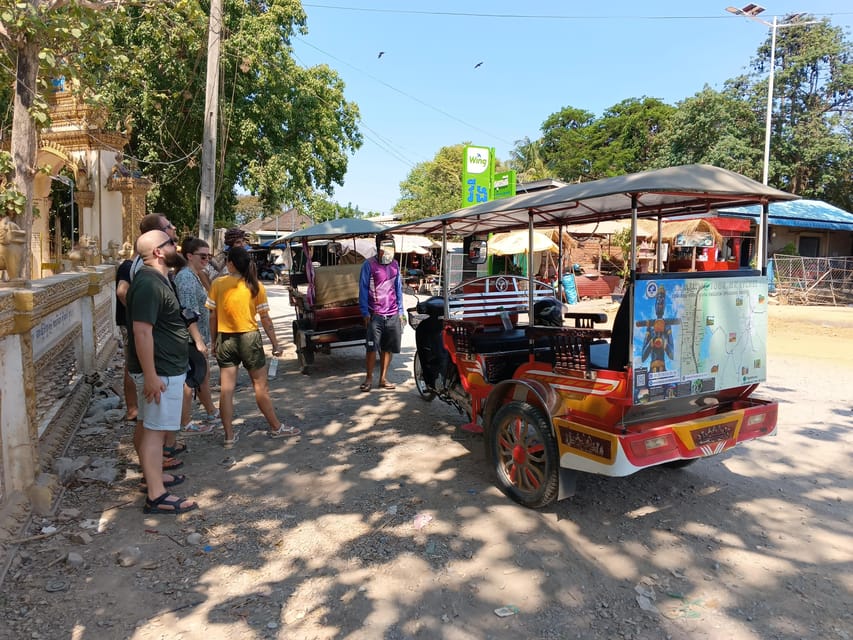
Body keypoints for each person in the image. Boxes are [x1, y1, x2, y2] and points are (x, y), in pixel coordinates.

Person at [126, 229, 198, 514]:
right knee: (155, 432)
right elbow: (142, 333)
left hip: (165, 367)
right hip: (161, 371)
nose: (175, 244)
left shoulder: (157, 279)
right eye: (170, 242)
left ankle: (153, 477)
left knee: (149, 426)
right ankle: (156, 495)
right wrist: (152, 375)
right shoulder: (148, 284)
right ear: (158, 251)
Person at [206, 245, 301, 448]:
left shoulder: (218, 284)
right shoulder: (255, 286)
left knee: (226, 390)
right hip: (249, 338)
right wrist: (275, 343)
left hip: (225, 339)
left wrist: (213, 341)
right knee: (260, 386)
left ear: (230, 264)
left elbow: (212, 316)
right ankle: (276, 427)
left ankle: (229, 436)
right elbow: (265, 319)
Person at [174, 236, 220, 436]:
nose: (207, 260)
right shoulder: (185, 278)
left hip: (196, 337)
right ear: (189, 256)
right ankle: (185, 421)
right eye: (202, 256)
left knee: (202, 376)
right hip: (190, 339)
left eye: (208, 256)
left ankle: (211, 411)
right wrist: (199, 340)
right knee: (190, 380)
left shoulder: (193, 276)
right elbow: (187, 312)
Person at [358, 232, 404, 392]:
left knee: (387, 348)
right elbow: (363, 289)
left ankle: (383, 379)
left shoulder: (395, 265)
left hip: (392, 314)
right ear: (378, 247)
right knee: (371, 348)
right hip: (374, 314)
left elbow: (398, 289)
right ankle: (368, 379)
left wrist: (400, 311)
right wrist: (365, 312)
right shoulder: (368, 265)